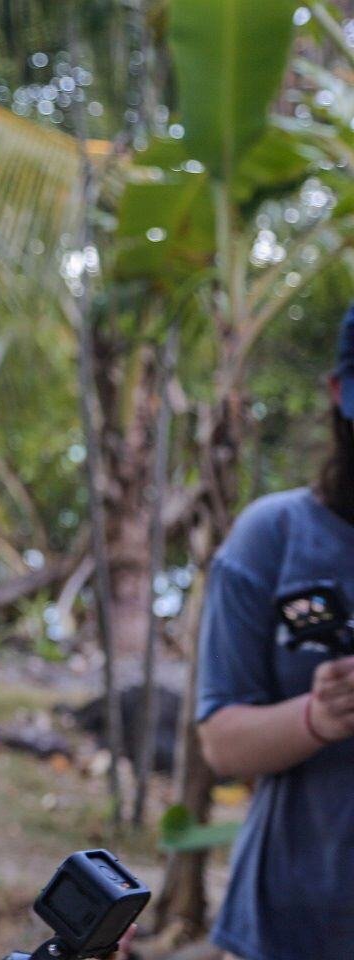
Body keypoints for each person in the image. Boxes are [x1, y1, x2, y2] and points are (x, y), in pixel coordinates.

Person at [195, 306, 354, 960]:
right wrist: (319, 715)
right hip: (295, 920)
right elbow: (221, 743)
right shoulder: (274, 538)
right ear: (340, 392)